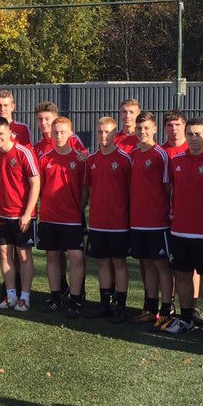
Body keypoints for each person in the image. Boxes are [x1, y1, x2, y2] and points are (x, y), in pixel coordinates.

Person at [166, 118, 203, 337]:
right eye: (190, 134)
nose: (194, 139)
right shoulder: (176, 161)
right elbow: (171, 191)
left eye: (198, 134)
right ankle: (186, 318)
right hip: (179, 231)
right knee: (182, 276)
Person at [37, 117, 87, 317]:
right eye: (55, 132)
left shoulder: (80, 159)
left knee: (75, 257)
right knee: (52, 256)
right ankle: (56, 297)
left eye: (63, 132)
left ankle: (75, 300)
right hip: (49, 217)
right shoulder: (45, 158)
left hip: (72, 218)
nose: (58, 136)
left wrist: (78, 208)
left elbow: (85, 190)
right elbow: (40, 187)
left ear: (70, 134)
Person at [0, 117, 40, 312]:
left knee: (24, 255)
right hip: (2, 214)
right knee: (3, 253)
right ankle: (10, 295)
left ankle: (25, 297)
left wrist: (28, 213)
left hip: (22, 215)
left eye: (1, 133)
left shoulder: (23, 152)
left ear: (10, 132)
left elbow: (36, 182)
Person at [84, 117, 132, 321]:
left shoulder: (124, 159)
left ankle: (121, 305)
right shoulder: (91, 160)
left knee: (119, 263)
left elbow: (132, 191)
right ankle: (104, 303)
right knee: (102, 263)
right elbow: (89, 189)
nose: (103, 136)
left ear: (115, 134)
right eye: (100, 132)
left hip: (119, 223)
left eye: (108, 132)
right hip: (97, 222)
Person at [129, 112, 173, 327]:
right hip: (137, 221)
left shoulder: (160, 154)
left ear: (154, 129)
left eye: (146, 128)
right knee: (146, 265)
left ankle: (166, 309)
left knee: (162, 265)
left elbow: (167, 188)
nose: (142, 132)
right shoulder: (134, 154)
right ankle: (150, 308)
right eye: (139, 129)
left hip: (157, 221)